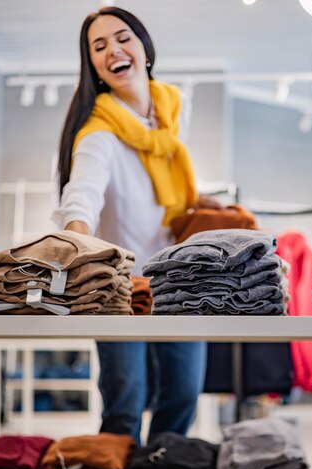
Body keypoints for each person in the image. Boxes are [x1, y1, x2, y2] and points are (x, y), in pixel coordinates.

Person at [53, 6, 221, 445]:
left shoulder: (170, 115)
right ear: (93, 66)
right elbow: (82, 195)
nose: (113, 50)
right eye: (99, 46)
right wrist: (75, 242)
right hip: (119, 290)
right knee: (126, 400)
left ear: (144, 47)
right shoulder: (98, 135)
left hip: (178, 286)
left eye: (122, 37)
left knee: (183, 394)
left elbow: (165, 196)